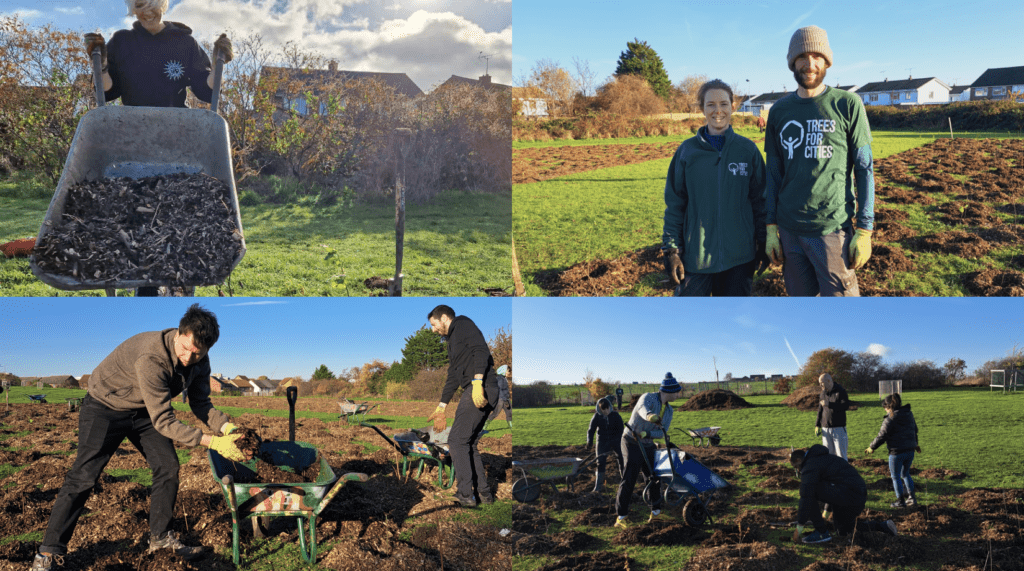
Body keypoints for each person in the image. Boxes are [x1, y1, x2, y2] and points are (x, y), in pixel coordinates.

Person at [31, 304, 250, 571]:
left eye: (197, 353)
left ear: (207, 349)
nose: (188, 357)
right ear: (179, 333)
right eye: (185, 349)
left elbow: (201, 403)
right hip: (105, 406)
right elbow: (164, 420)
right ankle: (48, 553)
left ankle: (160, 538)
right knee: (84, 476)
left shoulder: (200, 362)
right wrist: (212, 441)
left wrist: (227, 428)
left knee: (167, 466)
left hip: (144, 410)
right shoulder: (152, 356)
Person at [83, 0, 233, 297]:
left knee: (176, 224)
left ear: (163, 4)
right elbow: (108, 90)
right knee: (142, 227)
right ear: (132, 9)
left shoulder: (184, 43)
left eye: (152, 2)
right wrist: (100, 64)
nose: (147, 10)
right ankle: (148, 290)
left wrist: (219, 61)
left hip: (177, 149)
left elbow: (206, 90)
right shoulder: (122, 42)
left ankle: (177, 287)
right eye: (139, 4)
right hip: (132, 150)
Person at [764, 25, 876, 297]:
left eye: (817, 56)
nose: (810, 63)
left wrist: (864, 230)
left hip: (831, 230)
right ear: (792, 62)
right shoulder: (780, 111)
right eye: (802, 56)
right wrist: (770, 229)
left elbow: (864, 169)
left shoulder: (847, 104)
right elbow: (774, 173)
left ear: (827, 61)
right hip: (790, 232)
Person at [662, 79, 769, 296]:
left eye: (723, 104)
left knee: (732, 322)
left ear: (733, 106)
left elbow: (761, 202)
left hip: (740, 258)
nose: (717, 111)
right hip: (696, 258)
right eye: (710, 105)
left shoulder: (747, 151)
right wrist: (672, 250)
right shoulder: (687, 152)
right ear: (702, 108)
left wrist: (764, 241)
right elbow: (675, 204)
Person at [425, 305, 499, 508]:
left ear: (445, 318)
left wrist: (477, 382)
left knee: (456, 440)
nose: (433, 329)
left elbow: (480, 351)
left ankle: (465, 494)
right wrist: (442, 406)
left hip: (481, 388)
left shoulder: (463, 324)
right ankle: (484, 494)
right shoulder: (452, 342)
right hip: (479, 388)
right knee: (468, 443)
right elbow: (452, 376)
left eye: (434, 324)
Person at [790, 446, 898, 544]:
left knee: (809, 493)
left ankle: (821, 532)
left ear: (799, 460)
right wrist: (825, 516)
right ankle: (883, 526)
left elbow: (806, 498)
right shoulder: (822, 459)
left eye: (796, 467)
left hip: (849, 494)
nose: (798, 471)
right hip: (855, 494)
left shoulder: (810, 466)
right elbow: (830, 485)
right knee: (843, 530)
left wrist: (798, 529)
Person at [614, 373, 682, 528]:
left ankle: (655, 513)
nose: (678, 394)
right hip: (631, 441)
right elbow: (642, 409)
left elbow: (662, 432)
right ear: (669, 391)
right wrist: (650, 416)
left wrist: (648, 434)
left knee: (653, 477)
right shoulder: (648, 398)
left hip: (647, 442)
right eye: (677, 391)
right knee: (629, 477)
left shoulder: (669, 410)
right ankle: (621, 517)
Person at [866, 393, 921, 508]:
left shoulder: (890, 417)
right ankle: (912, 499)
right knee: (905, 474)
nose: (885, 411)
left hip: (896, 452)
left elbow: (882, 435)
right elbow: (914, 430)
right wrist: (916, 444)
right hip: (910, 451)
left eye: (885, 408)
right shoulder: (908, 414)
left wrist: (872, 447)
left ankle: (900, 502)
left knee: (895, 476)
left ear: (889, 406)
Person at [586, 396, 624, 493]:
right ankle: (598, 487)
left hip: (615, 440)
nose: (606, 411)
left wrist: (617, 439)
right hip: (602, 441)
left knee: (622, 458)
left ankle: (625, 482)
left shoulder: (615, 415)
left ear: (610, 407)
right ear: (600, 409)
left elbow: (621, 429)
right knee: (600, 462)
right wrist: (589, 442)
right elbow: (591, 430)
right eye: (604, 410)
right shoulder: (596, 416)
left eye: (607, 409)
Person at [815, 373, 850, 460]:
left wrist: (829, 404)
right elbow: (820, 410)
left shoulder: (840, 391)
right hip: (825, 429)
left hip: (838, 429)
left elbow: (845, 406)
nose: (820, 385)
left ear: (829, 381)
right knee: (828, 456)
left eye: (821, 383)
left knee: (841, 456)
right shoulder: (823, 393)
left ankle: (843, 473)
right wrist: (817, 425)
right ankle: (831, 473)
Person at [485, 364, 513, 430]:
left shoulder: (504, 378)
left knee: (509, 413)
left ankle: (511, 427)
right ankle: (484, 427)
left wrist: (506, 399)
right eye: (508, 371)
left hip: (505, 399)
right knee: (495, 414)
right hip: (501, 399)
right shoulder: (500, 379)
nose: (509, 373)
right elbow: (500, 389)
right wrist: (505, 399)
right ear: (504, 371)